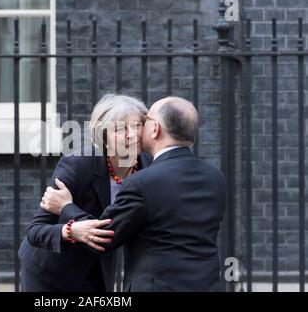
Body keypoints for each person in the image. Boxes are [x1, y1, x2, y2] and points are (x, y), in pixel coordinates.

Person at [42, 96, 226, 292]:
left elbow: (104, 238)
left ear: (155, 129)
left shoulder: (142, 182)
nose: (137, 131)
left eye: (144, 122)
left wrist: (66, 207)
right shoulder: (215, 176)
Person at [18, 94, 152, 292]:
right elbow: (35, 231)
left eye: (136, 126)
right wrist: (71, 231)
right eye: (120, 129)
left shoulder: (148, 166)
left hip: (99, 270)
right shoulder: (78, 165)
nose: (131, 135)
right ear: (103, 136)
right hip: (50, 273)